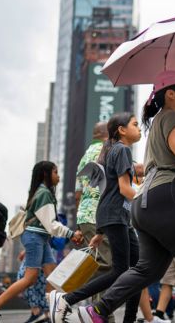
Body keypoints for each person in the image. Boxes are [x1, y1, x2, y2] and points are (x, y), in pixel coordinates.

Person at [76, 70, 175, 323]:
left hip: (145, 205)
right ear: (170, 94)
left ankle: (97, 311)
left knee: (146, 269)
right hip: (171, 197)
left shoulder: (159, 122)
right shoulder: (171, 116)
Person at [52, 112, 143, 323]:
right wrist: (148, 201)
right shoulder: (121, 150)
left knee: (138, 270)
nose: (139, 128)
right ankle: (67, 299)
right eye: (135, 124)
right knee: (120, 270)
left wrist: (100, 232)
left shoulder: (110, 150)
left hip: (114, 215)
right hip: (115, 215)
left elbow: (106, 190)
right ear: (121, 130)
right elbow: (123, 188)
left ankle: (128, 319)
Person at [0, 161, 82, 323]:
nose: (58, 176)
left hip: (40, 238)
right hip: (34, 238)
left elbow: (48, 226)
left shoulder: (42, 192)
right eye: (55, 172)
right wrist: (71, 233)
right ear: (45, 175)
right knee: (30, 278)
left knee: (54, 277)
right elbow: (51, 224)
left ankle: (50, 314)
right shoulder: (43, 194)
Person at [76, 121, 113, 275]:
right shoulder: (107, 151)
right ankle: (73, 295)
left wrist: (79, 226)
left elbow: (78, 193)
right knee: (107, 264)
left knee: (98, 263)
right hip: (98, 216)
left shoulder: (85, 157)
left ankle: (96, 299)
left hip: (86, 217)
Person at [17, 250, 49, 323]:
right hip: (41, 258)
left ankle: (36, 313)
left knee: (26, 282)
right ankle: (46, 316)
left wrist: (25, 250)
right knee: (40, 287)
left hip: (33, 256)